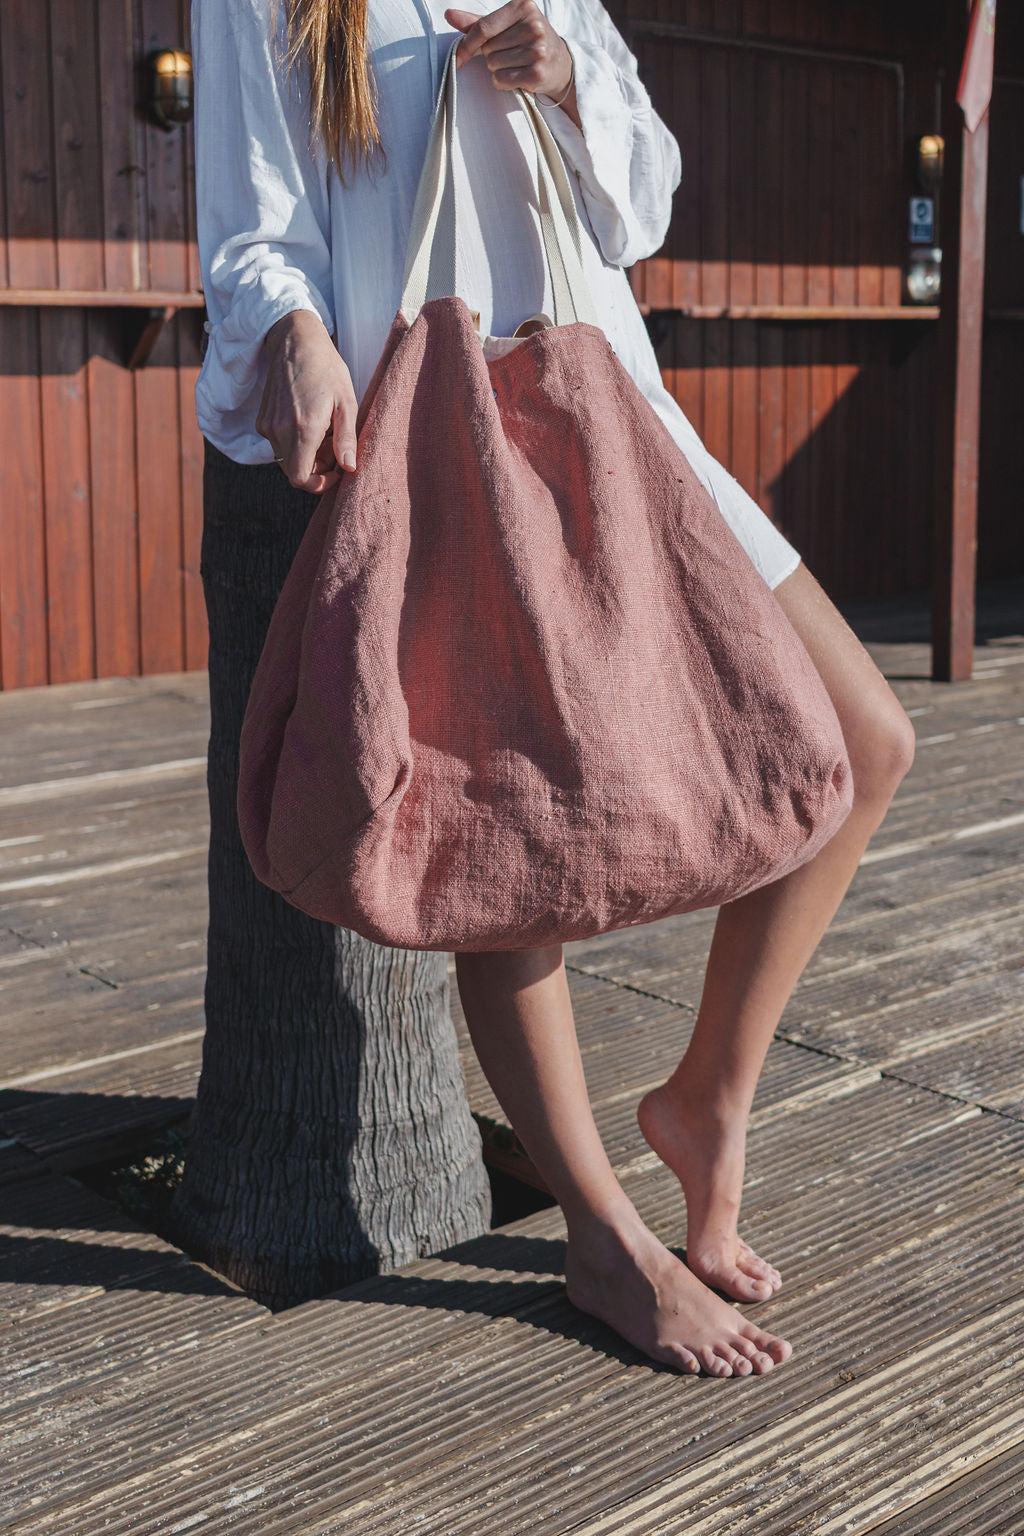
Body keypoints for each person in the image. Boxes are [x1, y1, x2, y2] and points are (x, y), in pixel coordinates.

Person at [192, 0, 916, 1377]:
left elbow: (639, 199)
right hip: (436, 427)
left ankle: (707, 1098)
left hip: (614, 415)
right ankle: (599, 1237)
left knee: (864, 740)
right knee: (502, 847)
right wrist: (289, 330)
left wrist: (576, 80)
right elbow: (253, 206)